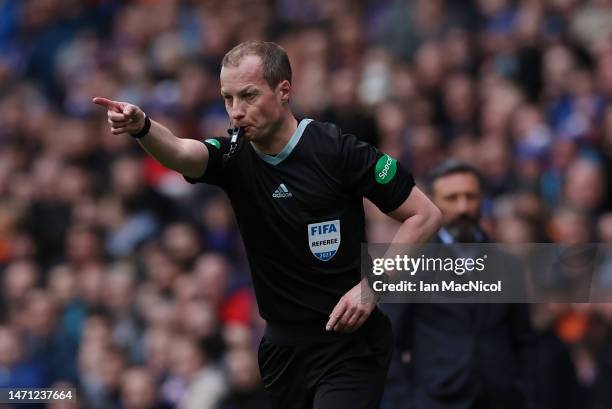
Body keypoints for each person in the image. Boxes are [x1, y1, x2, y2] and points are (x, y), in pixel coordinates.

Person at [93, 41, 442, 409]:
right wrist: (143, 127)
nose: (236, 112)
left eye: (248, 96)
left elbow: (424, 215)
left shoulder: (336, 150)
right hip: (282, 350)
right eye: (228, 99)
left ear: (284, 91)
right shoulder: (233, 155)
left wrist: (371, 287)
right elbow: (182, 152)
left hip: (349, 344)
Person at [394, 160, 536, 409]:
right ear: (434, 203)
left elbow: (522, 339)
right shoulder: (410, 264)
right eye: (452, 198)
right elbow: (390, 343)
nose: (463, 207)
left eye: (471, 196)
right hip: (435, 399)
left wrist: (520, 389)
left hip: (500, 398)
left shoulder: (508, 266)